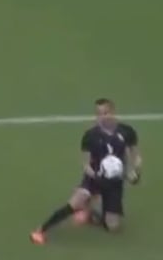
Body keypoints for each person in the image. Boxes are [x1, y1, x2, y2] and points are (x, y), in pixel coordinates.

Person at [30, 98, 142, 244]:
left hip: (115, 182)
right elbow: (86, 165)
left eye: (106, 113)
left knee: (113, 227)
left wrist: (135, 172)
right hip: (94, 178)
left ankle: (90, 213)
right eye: (99, 114)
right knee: (75, 203)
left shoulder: (127, 131)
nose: (102, 117)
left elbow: (136, 156)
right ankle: (40, 230)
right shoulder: (90, 136)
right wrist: (97, 177)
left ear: (113, 112)